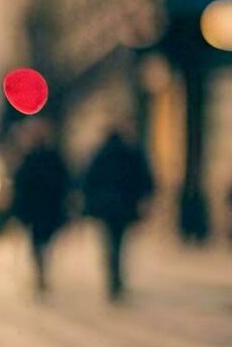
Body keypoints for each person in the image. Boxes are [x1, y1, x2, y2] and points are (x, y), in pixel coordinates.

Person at [81, 126, 154, 299]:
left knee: (109, 242)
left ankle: (112, 276)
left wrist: (89, 200)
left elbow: (88, 179)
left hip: (105, 206)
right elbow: (144, 178)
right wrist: (143, 197)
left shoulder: (100, 153)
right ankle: (116, 277)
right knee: (119, 242)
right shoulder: (131, 152)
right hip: (125, 206)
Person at [9, 120, 71, 292]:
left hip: (38, 209)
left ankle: (40, 269)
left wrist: (18, 209)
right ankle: (41, 270)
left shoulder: (31, 159)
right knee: (42, 241)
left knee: (38, 242)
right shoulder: (51, 158)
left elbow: (20, 186)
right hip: (48, 208)